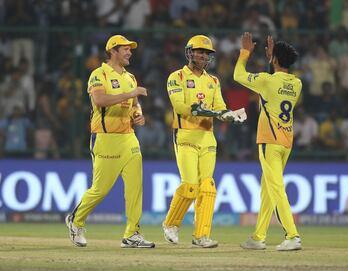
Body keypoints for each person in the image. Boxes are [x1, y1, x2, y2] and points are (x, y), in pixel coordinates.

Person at [65, 34, 155, 249]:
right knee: (100, 189)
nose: (130, 52)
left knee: (135, 187)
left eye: (130, 49)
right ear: (113, 51)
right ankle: (75, 221)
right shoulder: (99, 74)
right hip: (105, 139)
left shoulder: (130, 77)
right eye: (126, 49)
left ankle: (132, 234)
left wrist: (138, 114)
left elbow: (134, 105)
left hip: (129, 138)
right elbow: (100, 100)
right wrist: (130, 93)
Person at [162, 35, 246, 248]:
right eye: (199, 51)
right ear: (189, 52)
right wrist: (201, 110)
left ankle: (201, 236)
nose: (202, 55)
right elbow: (180, 106)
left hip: (207, 137)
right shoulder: (176, 77)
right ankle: (171, 224)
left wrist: (230, 114)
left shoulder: (213, 81)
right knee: (190, 186)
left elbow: (220, 106)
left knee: (207, 187)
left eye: (206, 53)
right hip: (185, 136)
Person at [234, 32, 302, 251]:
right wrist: (273, 60)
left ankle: (292, 235)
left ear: (274, 60)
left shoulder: (266, 80)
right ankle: (258, 237)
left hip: (269, 141)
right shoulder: (296, 84)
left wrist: (245, 52)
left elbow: (238, 75)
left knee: (275, 188)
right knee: (268, 189)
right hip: (286, 143)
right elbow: (277, 81)